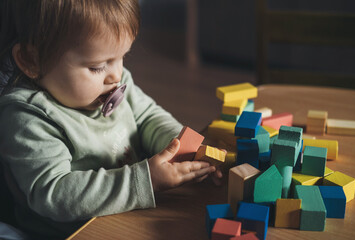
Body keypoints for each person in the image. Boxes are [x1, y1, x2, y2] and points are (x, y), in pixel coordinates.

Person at [0, 0, 222, 239]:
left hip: (129, 210)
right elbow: (53, 193)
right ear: (31, 60)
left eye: (122, 56)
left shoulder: (113, 81)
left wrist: (181, 148)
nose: (116, 75)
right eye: (97, 67)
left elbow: (148, 117)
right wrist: (145, 180)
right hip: (74, 232)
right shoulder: (28, 118)